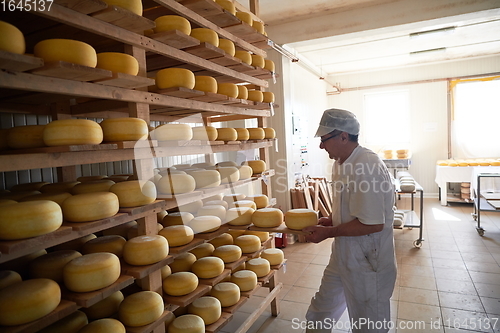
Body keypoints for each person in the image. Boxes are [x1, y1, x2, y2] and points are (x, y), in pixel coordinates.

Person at [303, 108, 397, 333]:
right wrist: (332, 220)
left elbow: (373, 224)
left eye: (324, 140)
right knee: (321, 311)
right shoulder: (341, 163)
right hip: (343, 254)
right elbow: (352, 208)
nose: (321, 146)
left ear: (343, 136)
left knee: (368, 326)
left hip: (368, 260)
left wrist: (329, 233)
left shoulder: (367, 165)